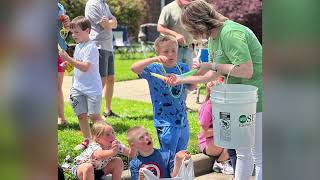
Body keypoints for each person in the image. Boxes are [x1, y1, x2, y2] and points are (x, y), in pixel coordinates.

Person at [168, 1, 263, 179]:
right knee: (243, 154)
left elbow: (246, 70)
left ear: (199, 22)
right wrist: (181, 79)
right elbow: (211, 74)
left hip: (258, 99)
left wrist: (213, 64)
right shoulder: (213, 37)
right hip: (239, 101)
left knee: (260, 156)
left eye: (192, 29)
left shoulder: (231, 33)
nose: (194, 35)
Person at [131, 35, 196, 153]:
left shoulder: (182, 67)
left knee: (181, 155)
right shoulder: (154, 68)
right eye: (166, 51)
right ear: (158, 53)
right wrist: (153, 59)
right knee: (169, 156)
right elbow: (134, 68)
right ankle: (168, 172)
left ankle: (179, 172)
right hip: (164, 122)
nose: (170, 54)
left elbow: (192, 87)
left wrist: (194, 75)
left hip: (182, 121)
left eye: (173, 51)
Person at [59, 16, 104, 150]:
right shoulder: (79, 46)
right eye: (72, 32)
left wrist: (69, 58)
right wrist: (69, 63)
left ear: (88, 31)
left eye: (77, 32)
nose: (74, 35)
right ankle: (88, 140)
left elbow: (85, 67)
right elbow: (78, 64)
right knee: (81, 115)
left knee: (94, 116)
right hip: (77, 88)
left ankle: (105, 139)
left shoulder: (91, 47)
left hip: (92, 89)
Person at [85, 0, 119, 118]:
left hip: (108, 47)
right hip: (98, 46)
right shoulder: (92, 4)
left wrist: (111, 23)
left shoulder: (104, 4)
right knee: (100, 81)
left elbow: (114, 23)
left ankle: (108, 111)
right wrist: (111, 23)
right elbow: (106, 25)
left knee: (110, 79)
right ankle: (92, 113)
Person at [71, 121, 136, 180]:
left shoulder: (116, 145)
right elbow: (99, 155)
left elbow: (130, 155)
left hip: (99, 169)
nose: (112, 136)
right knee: (88, 167)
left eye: (112, 133)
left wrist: (133, 148)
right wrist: (112, 152)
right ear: (98, 139)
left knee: (118, 161)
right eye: (107, 135)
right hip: (82, 170)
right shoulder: (95, 145)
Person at [126, 126, 191, 180]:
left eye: (147, 134)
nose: (147, 138)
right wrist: (141, 178)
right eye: (141, 137)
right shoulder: (134, 163)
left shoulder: (167, 155)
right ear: (133, 145)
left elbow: (175, 177)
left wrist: (178, 159)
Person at [198, 78, 233, 175]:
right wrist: (223, 130)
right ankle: (220, 162)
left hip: (218, 139)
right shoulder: (208, 107)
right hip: (207, 143)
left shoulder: (224, 105)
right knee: (232, 138)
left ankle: (228, 159)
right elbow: (204, 133)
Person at [157, 0, 194, 68]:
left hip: (189, 48)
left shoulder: (191, 8)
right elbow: (160, 28)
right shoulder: (168, 9)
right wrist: (176, 35)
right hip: (174, 50)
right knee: (173, 74)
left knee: (188, 75)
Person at [57, 3, 70, 125]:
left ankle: (61, 117)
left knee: (57, 86)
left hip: (59, 51)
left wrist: (67, 25)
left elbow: (65, 30)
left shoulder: (59, 6)